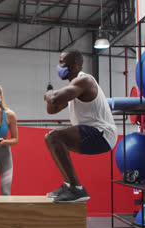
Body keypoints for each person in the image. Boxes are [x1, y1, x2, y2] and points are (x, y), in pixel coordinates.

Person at [44, 50, 117, 203]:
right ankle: (69, 185)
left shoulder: (84, 81)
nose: (59, 67)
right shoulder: (73, 88)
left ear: (75, 65)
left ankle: (77, 189)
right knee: (50, 139)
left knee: (54, 137)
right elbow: (52, 109)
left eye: (63, 63)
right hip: (92, 132)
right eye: (59, 63)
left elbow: (55, 99)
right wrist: (51, 98)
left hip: (102, 134)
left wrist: (49, 93)